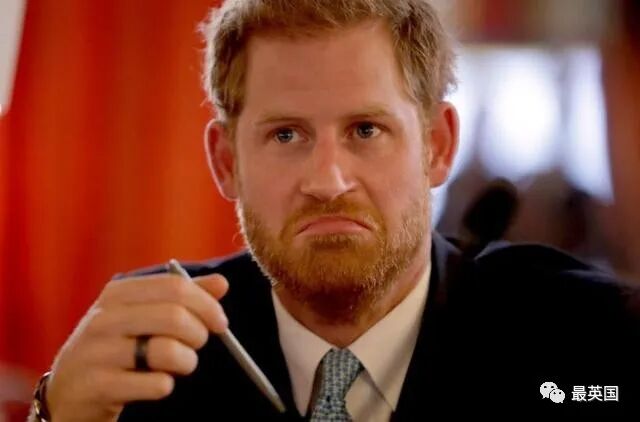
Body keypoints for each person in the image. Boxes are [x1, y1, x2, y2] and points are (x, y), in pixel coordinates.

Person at [30, 0, 640, 420]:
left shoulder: (591, 341)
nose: (328, 182)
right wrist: (53, 414)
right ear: (226, 162)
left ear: (437, 146)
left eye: (366, 130)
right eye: (286, 135)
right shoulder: (150, 355)